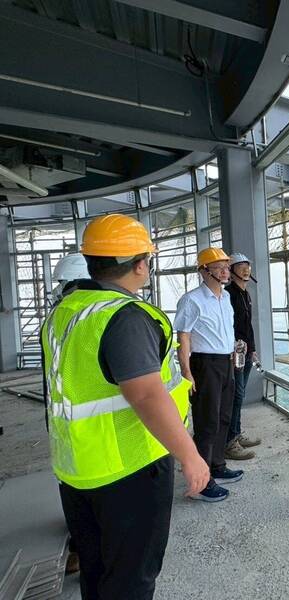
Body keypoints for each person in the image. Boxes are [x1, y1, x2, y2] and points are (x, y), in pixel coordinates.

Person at [41, 213, 209, 600]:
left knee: (97, 570)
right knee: (131, 579)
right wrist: (189, 455)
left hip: (78, 468)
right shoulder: (124, 316)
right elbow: (146, 395)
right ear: (140, 264)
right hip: (129, 469)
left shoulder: (67, 311)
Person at [174, 247, 243, 502]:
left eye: (226, 266)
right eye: (219, 267)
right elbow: (183, 337)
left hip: (226, 362)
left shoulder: (226, 297)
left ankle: (216, 465)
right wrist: (187, 372)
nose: (225, 271)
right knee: (207, 422)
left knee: (224, 417)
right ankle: (201, 484)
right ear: (204, 271)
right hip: (205, 364)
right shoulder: (191, 300)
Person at [224, 253, 263, 461]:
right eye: (241, 266)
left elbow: (247, 326)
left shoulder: (245, 294)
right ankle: (229, 442)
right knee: (236, 395)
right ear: (231, 271)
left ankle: (236, 434)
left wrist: (253, 349)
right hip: (235, 352)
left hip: (245, 352)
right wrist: (232, 350)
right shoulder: (228, 295)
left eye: (247, 265)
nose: (246, 269)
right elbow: (228, 326)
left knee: (240, 395)